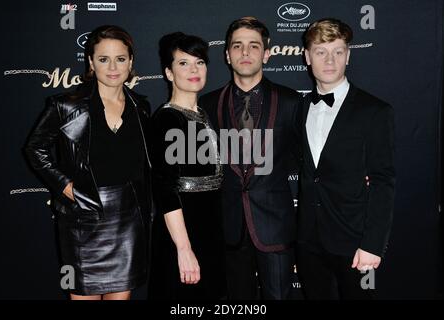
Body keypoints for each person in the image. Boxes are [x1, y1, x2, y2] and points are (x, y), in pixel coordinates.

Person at [24, 25, 152, 300]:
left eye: (120, 58)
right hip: (80, 221)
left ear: (130, 62)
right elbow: (35, 149)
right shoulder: (66, 105)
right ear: (91, 62)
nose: (113, 67)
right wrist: (67, 188)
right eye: (103, 59)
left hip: (128, 219)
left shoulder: (141, 106)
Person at [198, 17, 302, 300]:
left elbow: (306, 157)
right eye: (238, 46)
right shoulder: (207, 105)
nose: (245, 53)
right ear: (227, 55)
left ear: (266, 53)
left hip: (275, 225)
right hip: (228, 227)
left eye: (253, 46)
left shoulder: (292, 102)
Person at [296, 18, 395, 299]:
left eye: (338, 51)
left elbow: (383, 181)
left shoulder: (374, 111)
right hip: (308, 241)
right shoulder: (300, 108)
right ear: (307, 57)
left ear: (348, 56)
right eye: (321, 52)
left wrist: (373, 244)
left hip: (354, 243)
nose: (330, 60)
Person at [147, 32, 227, 300]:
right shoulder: (167, 120)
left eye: (200, 62)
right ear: (169, 73)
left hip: (209, 229)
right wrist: (183, 248)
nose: (194, 69)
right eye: (183, 63)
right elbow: (165, 189)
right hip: (183, 231)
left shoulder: (203, 113)